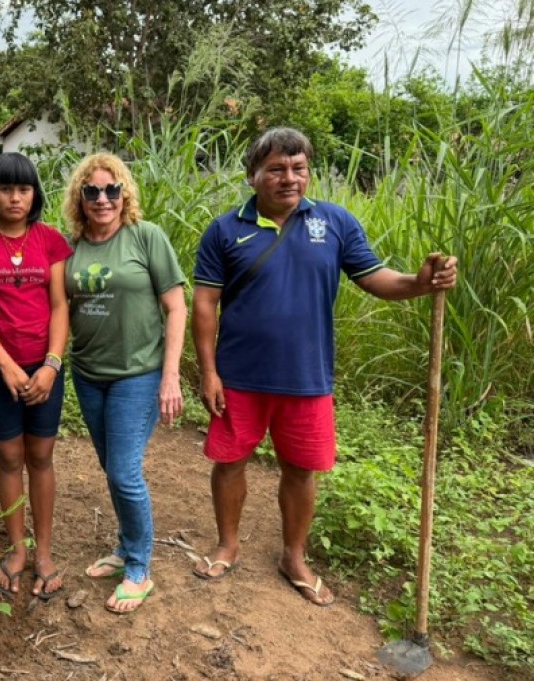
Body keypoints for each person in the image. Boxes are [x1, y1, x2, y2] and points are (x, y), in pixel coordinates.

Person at [191, 127, 458, 606]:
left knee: (301, 469)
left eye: (298, 168)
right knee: (230, 462)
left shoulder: (334, 222)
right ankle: (227, 545)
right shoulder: (225, 229)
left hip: (307, 376)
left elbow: (375, 278)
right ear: (253, 175)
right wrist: (209, 372)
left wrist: (419, 283)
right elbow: (205, 304)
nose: (289, 178)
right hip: (239, 376)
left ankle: (293, 556)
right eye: (276, 169)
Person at [64, 153, 188, 614]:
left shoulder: (145, 236)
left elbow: (176, 307)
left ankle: (139, 567)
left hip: (138, 373)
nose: (103, 199)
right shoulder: (71, 246)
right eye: (92, 191)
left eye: (111, 190)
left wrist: (170, 376)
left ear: (124, 194)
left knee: (123, 471)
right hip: (88, 373)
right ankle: (124, 546)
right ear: (80, 197)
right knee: (112, 466)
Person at [0, 152, 73, 600]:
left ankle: (43, 550)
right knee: (9, 457)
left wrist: (51, 364)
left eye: (23, 189)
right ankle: (18, 548)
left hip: (45, 369)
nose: (15, 198)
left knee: (40, 457)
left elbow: (60, 305)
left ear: (34, 194)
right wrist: (5, 364)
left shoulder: (51, 240)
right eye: (5, 189)